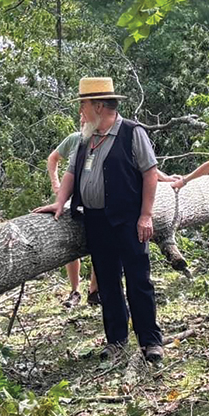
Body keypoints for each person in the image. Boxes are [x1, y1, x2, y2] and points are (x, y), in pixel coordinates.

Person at [34, 77, 165, 363]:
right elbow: (71, 173)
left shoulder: (132, 132)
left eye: (83, 105)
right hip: (95, 220)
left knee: (138, 280)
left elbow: (149, 173)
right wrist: (59, 201)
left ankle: (151, 342)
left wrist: (146, 215)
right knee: (107, 282)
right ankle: (116, 341)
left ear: (99, 105)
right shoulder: (85, 137)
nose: (80, 111)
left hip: (129, 219)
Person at [47, 121, 99, 308]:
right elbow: (52, 159)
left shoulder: (105, 140)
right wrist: (56, 186)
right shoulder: (74, 139)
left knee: (98, 245)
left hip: (95, 200)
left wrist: (164, 178)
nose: (84, 122)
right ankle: (75, 291)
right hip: (72, 200)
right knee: (72, 245)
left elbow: (143, 164)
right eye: (82, 119)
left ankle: (94, 291)